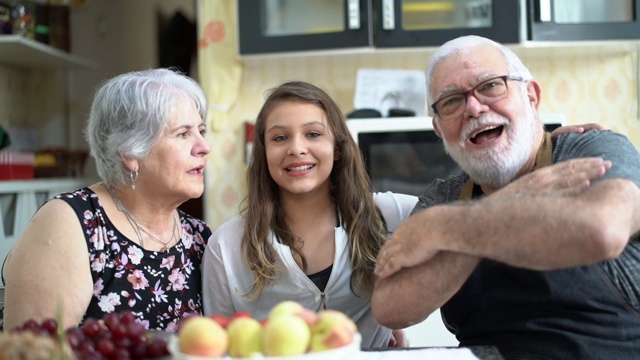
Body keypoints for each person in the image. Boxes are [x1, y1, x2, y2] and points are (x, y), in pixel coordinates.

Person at [371, 35, 640, 359]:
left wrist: (442, 227)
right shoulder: (444, 196)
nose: (473, 107)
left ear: (531, 95)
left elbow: (601, 230)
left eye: (491, 85)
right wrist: (511, 199)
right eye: (451, 101)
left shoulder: (590, 148)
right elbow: (390, 307)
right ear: (439, 128)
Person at [201, 81, 419, 348]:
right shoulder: (225, 246)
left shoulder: (389, 215)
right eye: (280, 138)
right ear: (264, 153)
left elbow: (466, 209)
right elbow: (218, 348)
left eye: (313, 134)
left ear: (337, 148)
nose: (296, 148)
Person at [2, 68, 212, 332]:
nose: (204, 147)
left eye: (201, 130)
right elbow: (30, 351)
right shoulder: (71, 224)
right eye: (183, 134)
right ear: (130, 152)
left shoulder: (200, 238)